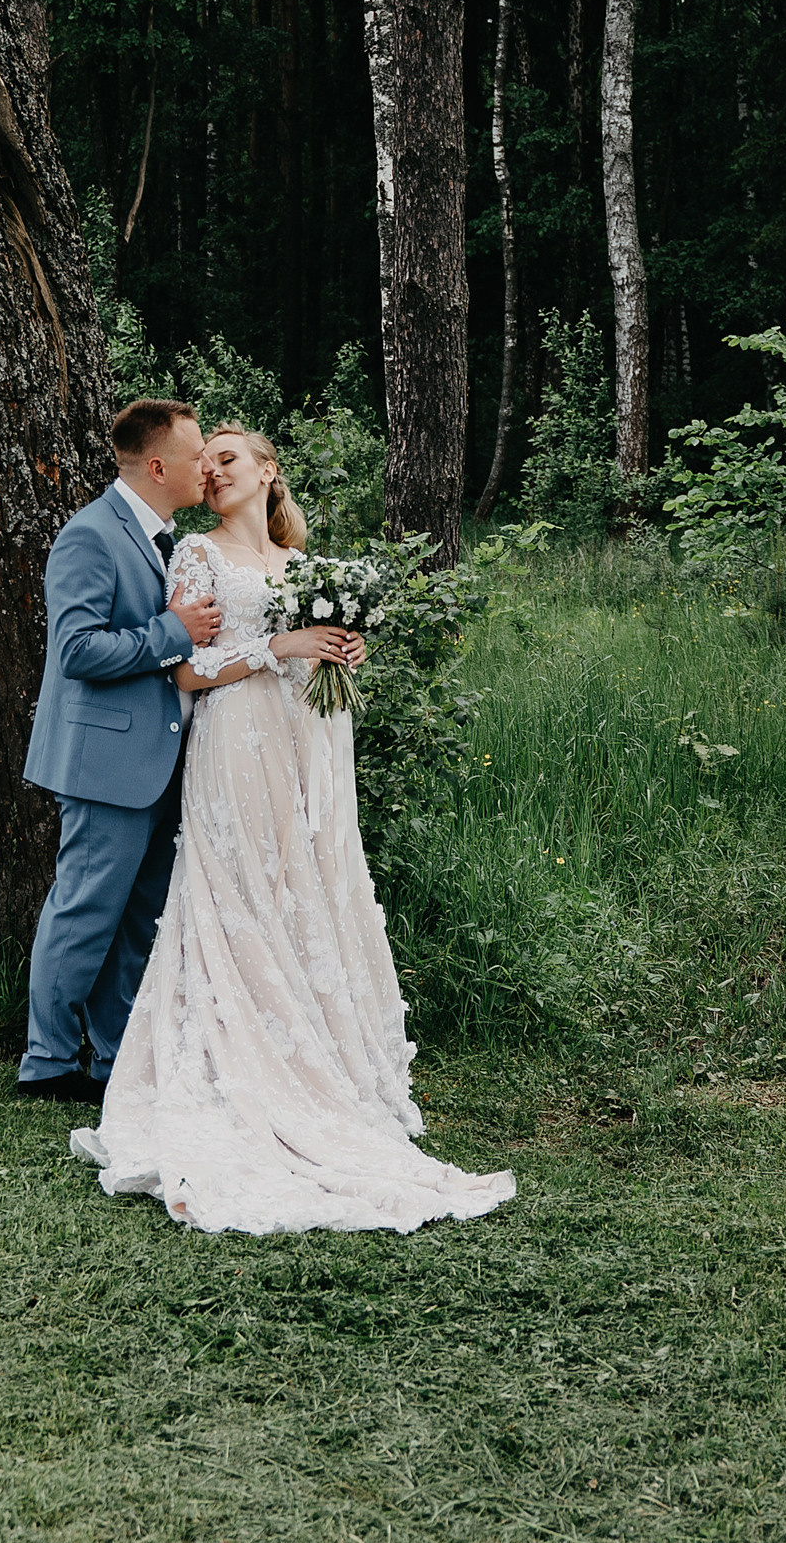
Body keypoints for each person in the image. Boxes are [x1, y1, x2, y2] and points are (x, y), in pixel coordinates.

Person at [72, 425, 518, 1237]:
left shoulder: (307, 567)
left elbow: (311, 649)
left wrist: (339, 650)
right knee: (244, 890)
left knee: (311, 883)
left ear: (270, 472)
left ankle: (327, 1065)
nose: (211, 473)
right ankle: (246, 1068)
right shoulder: (196, 557)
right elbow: (188, 669)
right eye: (205, 466)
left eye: (228, 459)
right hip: (238, 743)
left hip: (311, 742)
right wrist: (280, 646)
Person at [16, 399, 224, 1101]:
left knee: (138, 918)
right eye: (198, 455)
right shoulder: (91, 537)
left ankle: (111, 1059)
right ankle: (45, 1062)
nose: (207, 467)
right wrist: (173, 632)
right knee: (84, 911)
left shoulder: (169, 540)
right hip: (105, 764)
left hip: (162, 760)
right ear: (159, 464)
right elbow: (77, 650)